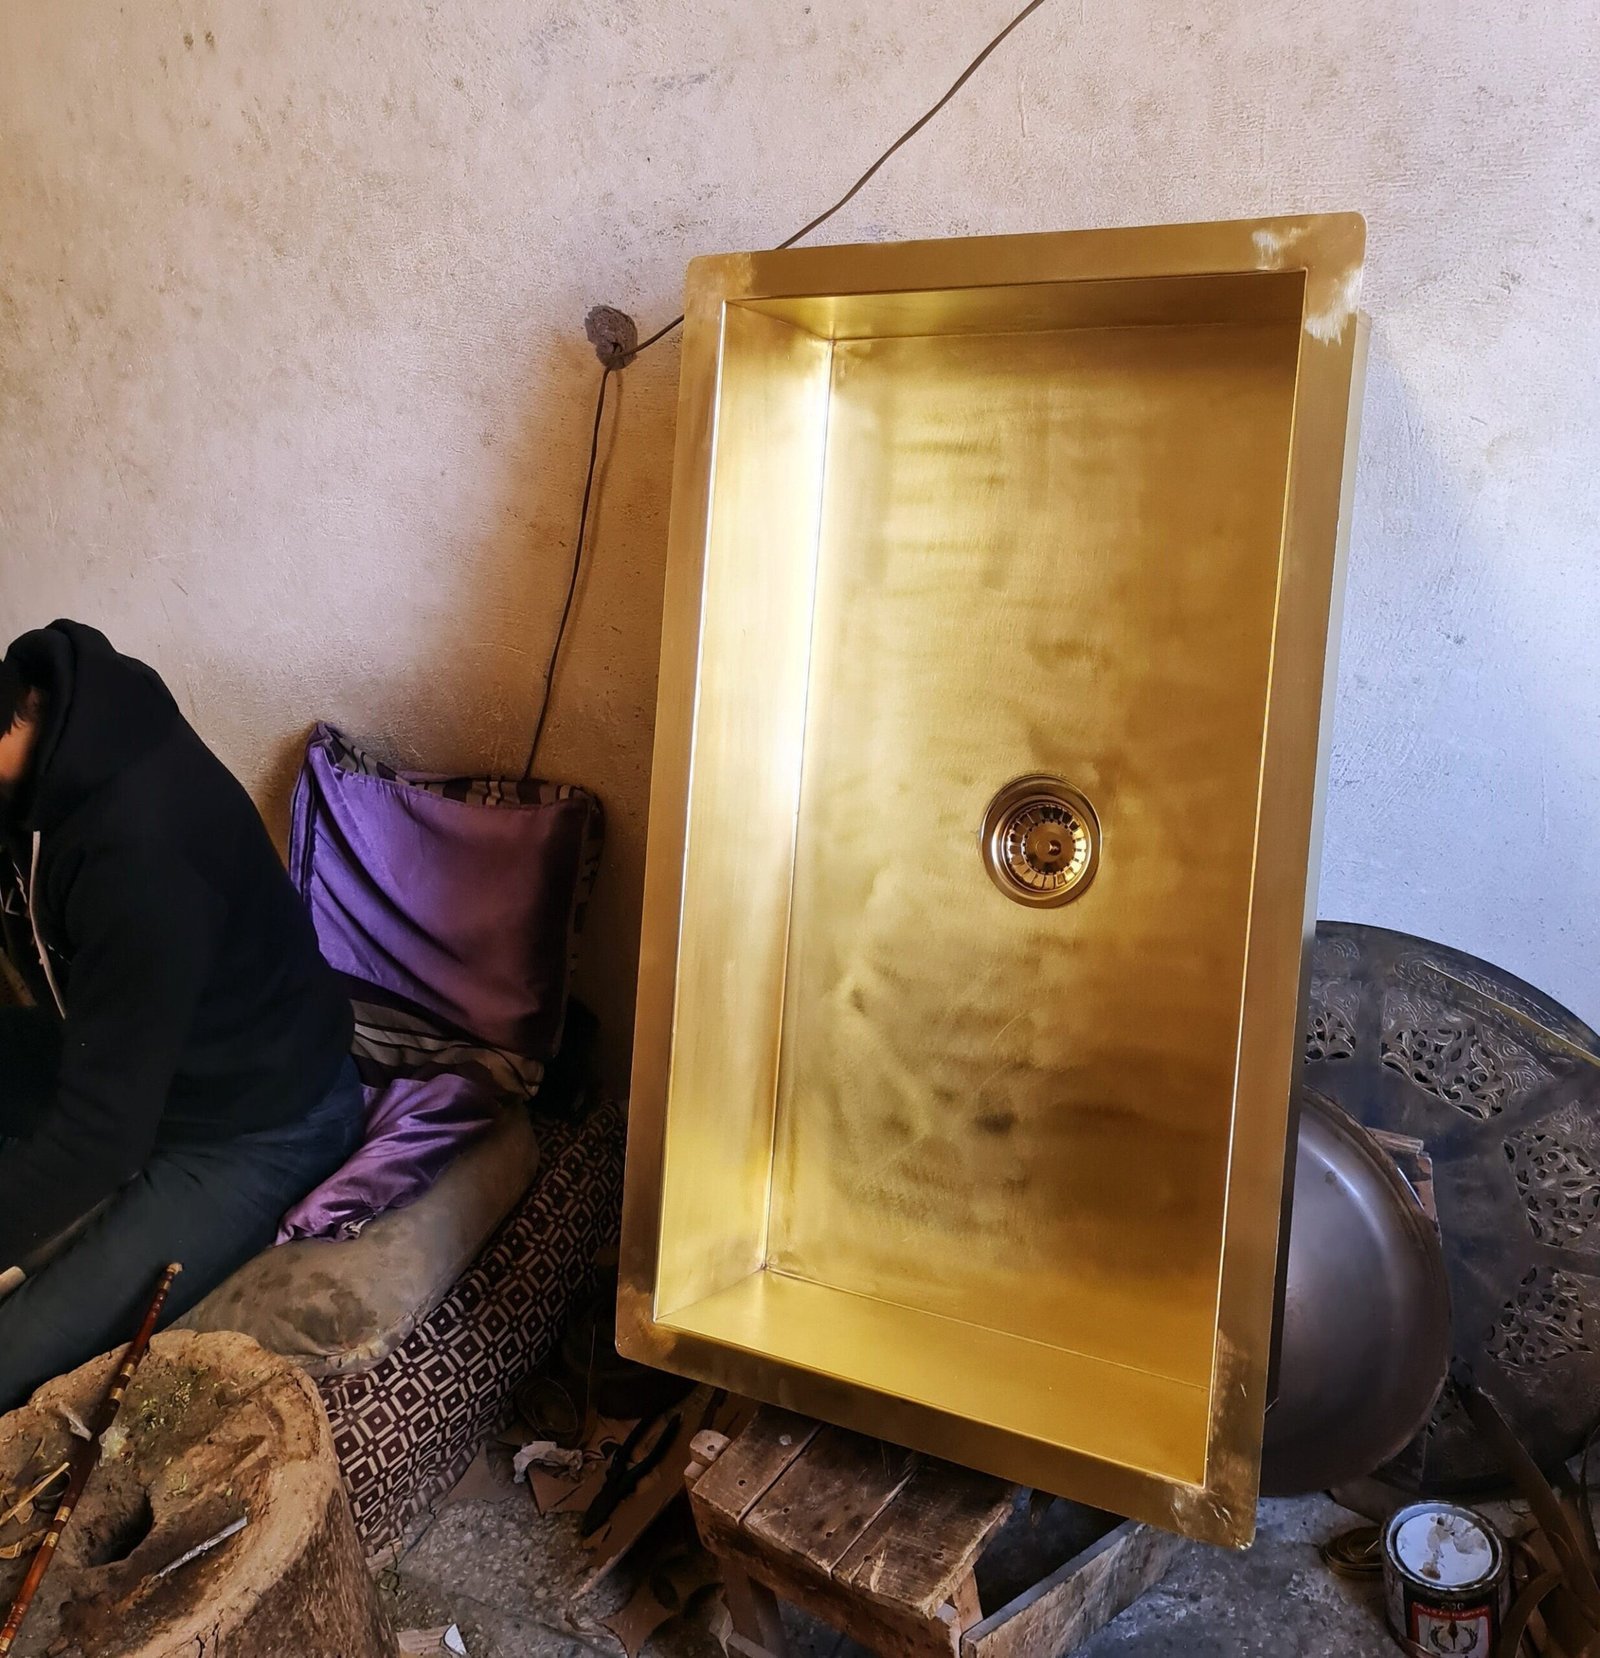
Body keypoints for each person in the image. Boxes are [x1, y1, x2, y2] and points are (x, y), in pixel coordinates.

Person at [0, 620, 361, 1411]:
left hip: (258, 1123)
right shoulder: (40, 733)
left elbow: (100, 1136)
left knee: (11, 1354)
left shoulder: (138, 849)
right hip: (123, 1050)